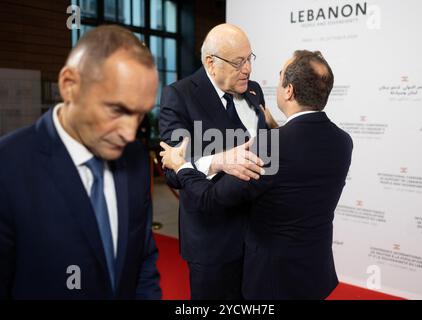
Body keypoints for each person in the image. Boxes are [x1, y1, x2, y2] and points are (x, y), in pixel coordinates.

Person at [160, 50, 353, 299]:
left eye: (281, 75)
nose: (248, 69)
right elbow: (299, 165)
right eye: (239, 60)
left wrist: (181, 166)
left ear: (289, 91)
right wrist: (280, 132)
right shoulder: (343, 141)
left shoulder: (270, 144)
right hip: (315, 271)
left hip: (272, 278)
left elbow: (209, 198)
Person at [0, 25, 161, 299]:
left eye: (140, 115)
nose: (130, 133)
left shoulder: (134, 157)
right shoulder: (8, 166)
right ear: (69, 85)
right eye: (117, 110)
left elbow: (142, 260)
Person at [159, 23, 271, 299]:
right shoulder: (179, 95)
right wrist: (218, 161)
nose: (248, 69)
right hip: (213, 240)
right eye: (238, 62)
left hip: (258, 235)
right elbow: (173, 170)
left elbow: (267, 150)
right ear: (211, 62)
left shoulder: (254, 90)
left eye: (249, 59)